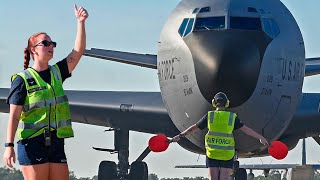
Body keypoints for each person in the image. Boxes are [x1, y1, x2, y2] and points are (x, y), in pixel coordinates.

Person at [2, 4, 88, 180]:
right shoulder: (22, 79)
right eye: (46, 43)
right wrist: (8, 145)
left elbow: (78, 52)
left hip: (56, 142)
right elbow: (14, 116)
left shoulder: (57, 72)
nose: (51, 46)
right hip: (32, 143)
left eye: (52, 44)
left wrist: (80, 22)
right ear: (33, 49)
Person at [171, 92, 269, 180]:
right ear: (227, 103)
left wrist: (180, 136)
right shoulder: (231, 117)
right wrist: (260, 137)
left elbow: (194, 128)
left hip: (212, 153)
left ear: (214, 103)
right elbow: (246, 130)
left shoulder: (210, 116)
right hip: (227, 154)